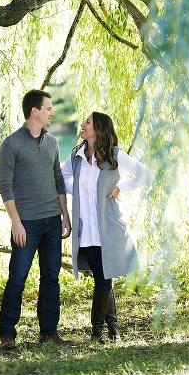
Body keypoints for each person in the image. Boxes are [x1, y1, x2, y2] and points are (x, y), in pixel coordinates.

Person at [61, 112, 151, 343]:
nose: (82, 124)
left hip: (108, 228)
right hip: (86, 230)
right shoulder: (77, 156)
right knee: (104, 277)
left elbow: (145, 175)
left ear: (99, 129)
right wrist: (76, 192)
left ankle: (96, 332)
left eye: (87, 122)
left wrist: (122, 188)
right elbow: (60, 177)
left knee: (103, 279)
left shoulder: (114, 155)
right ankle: (113, 329)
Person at [0, 90, 71, 349]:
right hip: (26, 224)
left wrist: (65, 215)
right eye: (48, 108)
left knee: (50, 277)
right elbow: (5, 187)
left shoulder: (52, 143)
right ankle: (7, 334)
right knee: (17, 277)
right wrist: (16, 223)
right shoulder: (11, 144)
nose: (52, 113)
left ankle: (49, 330)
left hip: (52, 221)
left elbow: (58, 180)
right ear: (34, 112)